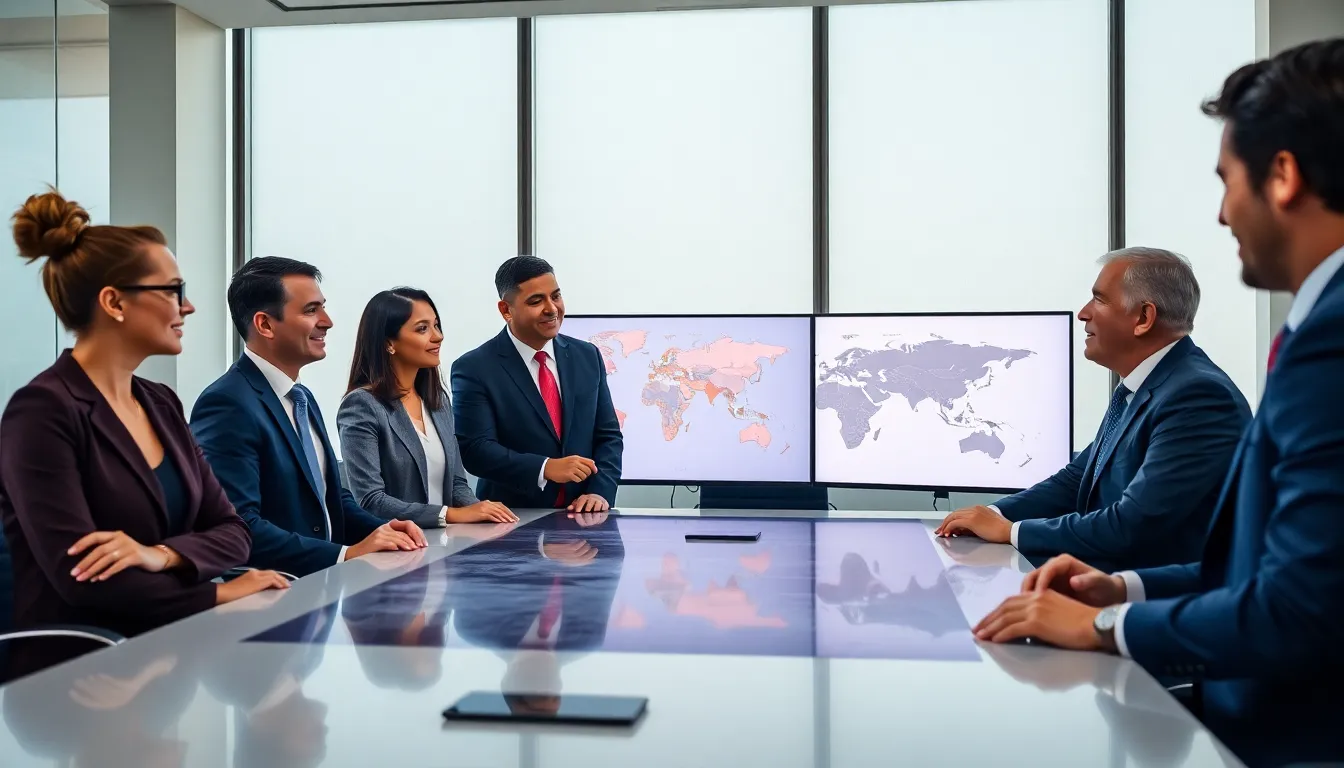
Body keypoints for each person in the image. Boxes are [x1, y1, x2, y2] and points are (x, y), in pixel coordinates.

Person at [972, 39, 1344, 767]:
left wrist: (1106, 625)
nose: (1221, 215)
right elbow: (1271, 570)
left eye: (1225, 180)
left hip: (1283, 734)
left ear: (1284, 176)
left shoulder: (1327, 343)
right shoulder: (1313, 329)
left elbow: (1299, 608)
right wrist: (1120, 588)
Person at [0, 191, 287, 639]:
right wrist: (213, 595)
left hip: (171, 654)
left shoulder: (161, 403)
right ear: (114, 302)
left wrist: (160, 554)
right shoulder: (41, 411)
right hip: (80, 671)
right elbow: (85, 579)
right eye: (174, 291)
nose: (187, 307)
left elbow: (233, 531)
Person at [936, 249, 1250, 570]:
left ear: (1143, 318)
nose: (1083, 314)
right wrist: (995, 515)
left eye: (1099, 300)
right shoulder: (1146, 386)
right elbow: (1077, 480)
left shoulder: (1197, 396)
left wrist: (1011, 531)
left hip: (1152, 603)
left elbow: (1132, 524)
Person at [191, 257, 427, 578]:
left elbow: (331, 497)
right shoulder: (227, 402)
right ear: (265, 324)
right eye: (310, 310)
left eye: (323, 307)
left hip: (320, 589)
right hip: (270, 597)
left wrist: (385, 530)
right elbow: (239, 523)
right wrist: (344, 554)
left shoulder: (302, 397)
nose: (327, 321)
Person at [451, 256, 622, 513]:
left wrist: (600, 491)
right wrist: (545, 467)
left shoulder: (587, 356)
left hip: (585, 517)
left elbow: (608, 435)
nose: (552, 308)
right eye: (536, 301)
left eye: (555, 296)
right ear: (506, 310)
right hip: (511, 522)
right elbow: (476, 450)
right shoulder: (474, 368)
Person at [337, 287, 517, 528]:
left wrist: (482, 511)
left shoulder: (438, 401)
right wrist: (450, 515)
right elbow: (371, 500)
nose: (438, 336)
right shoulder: (362, 405)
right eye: (422, 329)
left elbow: (456, 484)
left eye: (436, 325)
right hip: (396, 550)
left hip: (443, 545)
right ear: (389, 343)